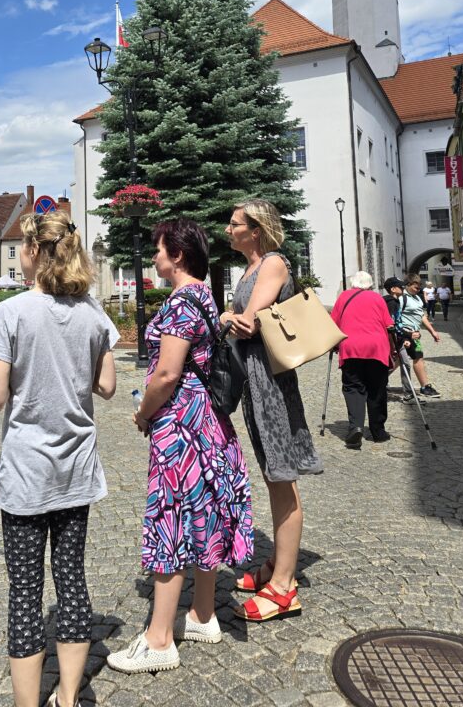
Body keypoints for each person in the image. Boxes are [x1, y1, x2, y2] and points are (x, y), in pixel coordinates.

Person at [0, 211, 117, 707]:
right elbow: (106, 386)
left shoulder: (12, 313)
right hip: (75, 470)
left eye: (21, 246)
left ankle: (25, 703)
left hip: (24, 473)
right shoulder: (93, 313)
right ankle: (67, 696)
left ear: (36, 252)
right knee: (72, 580)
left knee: (24, 591)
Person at [107, 219, 252, 674]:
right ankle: (204, 615)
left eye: (160, 250)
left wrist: (145, 412)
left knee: (170, 518)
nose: (154, 257)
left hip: (181, 425)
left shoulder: (179, 303)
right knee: (204, 511)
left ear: (178, 256)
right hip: (208, 420)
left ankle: (159, 639)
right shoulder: (205, 297)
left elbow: (168, 373)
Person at [220, 199, 322, 623]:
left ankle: (283, 587)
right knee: (271, 476)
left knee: (282, 479)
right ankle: (276, 567)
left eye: (235, 223)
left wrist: (223, 315)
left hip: (273, 386)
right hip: (256, 384)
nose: (228, 229)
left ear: (255, 230)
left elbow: (249, 322)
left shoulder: (274, 263)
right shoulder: (249, 268)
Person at [330, 272, 395, 448]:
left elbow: (332, 323)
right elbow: (388, 323)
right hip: (376, 348)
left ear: (353, 284)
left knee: (353, 388)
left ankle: (356, 427)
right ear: (370, 284)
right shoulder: (377, 298)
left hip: (351, 347)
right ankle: (378, 432)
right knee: (377, 389)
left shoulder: (344, 296)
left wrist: (333, 345)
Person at [397, 274, 442, 400]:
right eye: (415, 288)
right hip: (405, 334)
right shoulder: (401, 298)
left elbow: (422, 316)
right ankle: (425, 387)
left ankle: (425, 387)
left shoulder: (417, 298)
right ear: (408, 285)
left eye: (419, 288)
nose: (418, 290)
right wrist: (404, 332)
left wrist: (432, 331)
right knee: (408, 359)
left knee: (406, 359)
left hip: (415, 334)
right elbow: (394, 316)